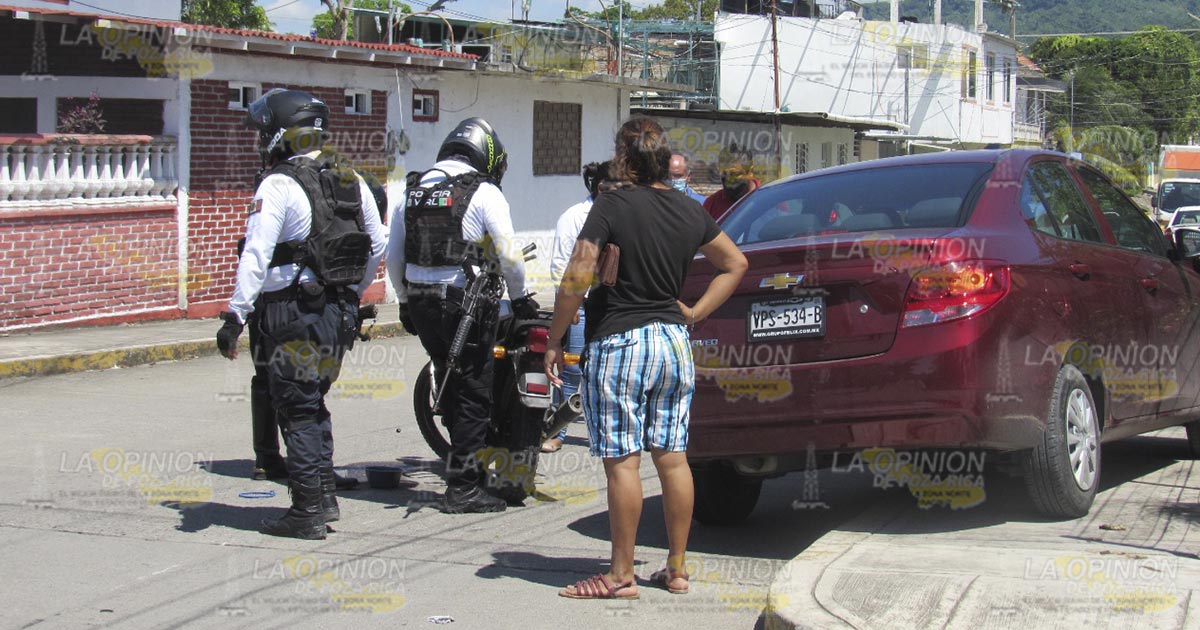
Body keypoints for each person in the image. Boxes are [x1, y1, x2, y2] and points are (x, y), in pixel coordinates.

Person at [545, 117, 748, 599]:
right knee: (674, 459)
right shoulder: (687, 208)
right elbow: (736, 263)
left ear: (624, 159)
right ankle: (676, 570)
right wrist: (695, 310)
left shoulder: (611, 205)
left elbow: (576, 278)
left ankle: (620, 575)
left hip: (620, 343)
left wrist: (555, 340)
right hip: (673, 344)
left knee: (623, 463)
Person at [216, 88, 387, 540]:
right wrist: (351, 291)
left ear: (279, 133)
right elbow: (379, 241)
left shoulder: (278, 183)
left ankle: (307, 511)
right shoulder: (350, 177)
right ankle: (325, 496)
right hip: (338, 313)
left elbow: (255, 254)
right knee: (312, 402)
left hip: (291, 311)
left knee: (297, 410)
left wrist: (235, 316)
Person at [387, 117, 537, 514]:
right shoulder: (483, 192)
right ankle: (464, 488)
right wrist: (521, 299)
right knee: (472, 393)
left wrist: (403, 300)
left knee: (449, 384)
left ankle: (465, 468)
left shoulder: (413, 190)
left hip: (420, 303)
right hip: (462, 305)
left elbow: (393, 258)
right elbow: (509, 255)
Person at [542, 161, 608, 453]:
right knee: (572, 370)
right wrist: (570, 306)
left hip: (613, 306)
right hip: (581, 304)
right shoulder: (574, 216)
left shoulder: (623, 214)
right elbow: (560, 266)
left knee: (605, 371)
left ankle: (603, 433)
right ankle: (558, 431)